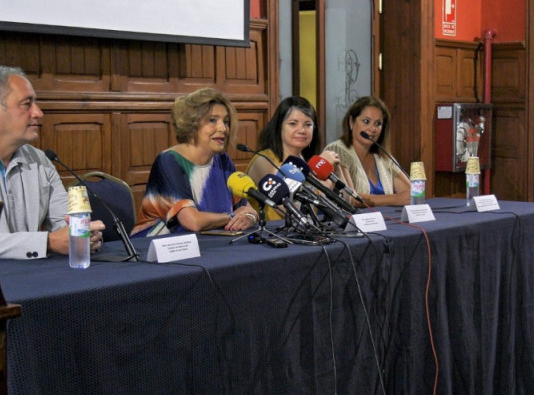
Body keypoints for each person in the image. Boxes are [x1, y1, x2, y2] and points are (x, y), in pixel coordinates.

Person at [0, 66, 105, 259]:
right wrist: (48, 242)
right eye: (26, 104)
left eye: (36, 103)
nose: (38, 113)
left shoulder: (40, 160)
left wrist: (83, 235)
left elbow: (64, 221)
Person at [131, 87, 258, 237]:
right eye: (212, 120)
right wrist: (231, 216)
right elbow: (192, 221)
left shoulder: (223, 161)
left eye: (226, 121)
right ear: (192, 124)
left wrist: (249, 218)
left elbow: (247, 210)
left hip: (210, 244)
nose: (223, 128)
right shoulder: (169, 161)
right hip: (158, 248)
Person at [246, 96, 344, 220]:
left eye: (308, 125)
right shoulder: (264, 160)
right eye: (293, 124)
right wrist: (315, 175)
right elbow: (290, 209)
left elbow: (343, 205)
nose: (302, 130)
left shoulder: (305, 161)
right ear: (279, 127)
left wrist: (336, 172)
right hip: (272, 236)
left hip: (306, 234)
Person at [323, 96, 411, 207]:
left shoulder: (383, 157)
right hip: (354, 222)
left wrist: (399, 198)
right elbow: (350, 199)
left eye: (378, 124)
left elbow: (411, 195)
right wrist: (395, 199)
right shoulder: (337, 150)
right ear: (351, 122)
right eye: (366, 121)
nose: (372, 128)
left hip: (387, 221)